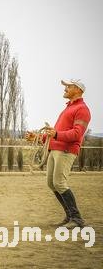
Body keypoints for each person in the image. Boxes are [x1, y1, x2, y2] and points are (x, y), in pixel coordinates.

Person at [25, 79, 91, 228]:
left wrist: (56, 134)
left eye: (69, 86)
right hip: (56, 149)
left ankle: (77, 218)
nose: (65, 88)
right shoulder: (67, 109)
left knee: (59, 183)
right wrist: (37, 137)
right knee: (51, 183)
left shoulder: (82, 109)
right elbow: (53, 135)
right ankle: (70, 216)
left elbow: (77, 134)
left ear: (78, 90)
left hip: (66, 151)